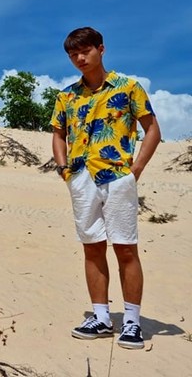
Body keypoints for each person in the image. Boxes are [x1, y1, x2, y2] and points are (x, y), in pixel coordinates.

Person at [51, 27, 161, 350]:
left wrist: (136, 169)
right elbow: (59, 133)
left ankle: (131, 321)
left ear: (101, 49)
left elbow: (152, 129)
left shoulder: (128, 88)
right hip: (81, 178)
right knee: (92, 247)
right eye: (73, 55)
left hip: (117, 175)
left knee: (125, 248)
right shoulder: (67, 96)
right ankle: (100, 317)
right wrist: (64, 170)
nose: (79, 58)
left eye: (85, 51)